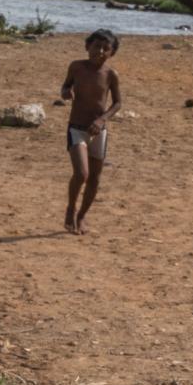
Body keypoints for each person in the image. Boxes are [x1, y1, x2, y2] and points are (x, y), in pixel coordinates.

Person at [57, 29, 123, 234]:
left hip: (98, 130)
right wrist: (67, 92)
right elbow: (65, 87)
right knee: (81, 173)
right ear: (87, 46)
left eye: (106, 49)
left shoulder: (110, 75)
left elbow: (118, 103)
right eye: (96, 46)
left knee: (95, 177)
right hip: (76, 128)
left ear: (112, 53)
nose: (100, 51)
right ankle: (70, 208)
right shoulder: (76, 67)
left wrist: (102, 119)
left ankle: (82, 215)